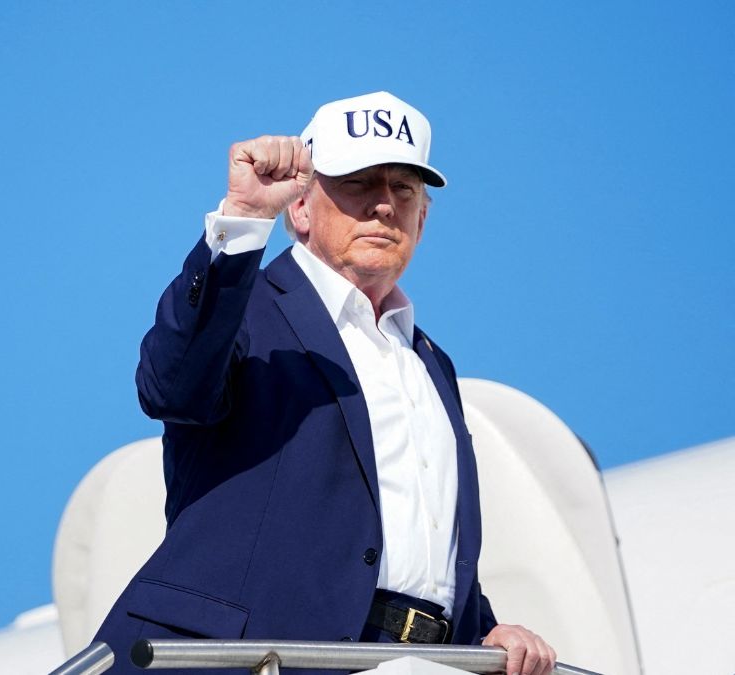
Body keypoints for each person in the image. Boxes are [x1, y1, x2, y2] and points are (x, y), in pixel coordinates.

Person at [92, 92, 556, 675]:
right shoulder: (247, 308)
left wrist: (484, 628)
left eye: (404, 189)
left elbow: (402, 547)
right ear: (302, 210)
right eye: (361, 184)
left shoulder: (432, 365)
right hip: (247, 658)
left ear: (423, 218)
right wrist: (243, 218)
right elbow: (170, 386)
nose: (385, 206)